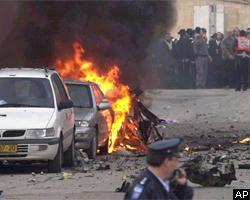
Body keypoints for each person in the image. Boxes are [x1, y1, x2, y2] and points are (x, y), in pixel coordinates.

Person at [124, 138, 193, 200]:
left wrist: (181, 188)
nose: (177, 164)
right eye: (175, 160)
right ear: (167, 162)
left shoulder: (163, 183)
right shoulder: (144, 188)